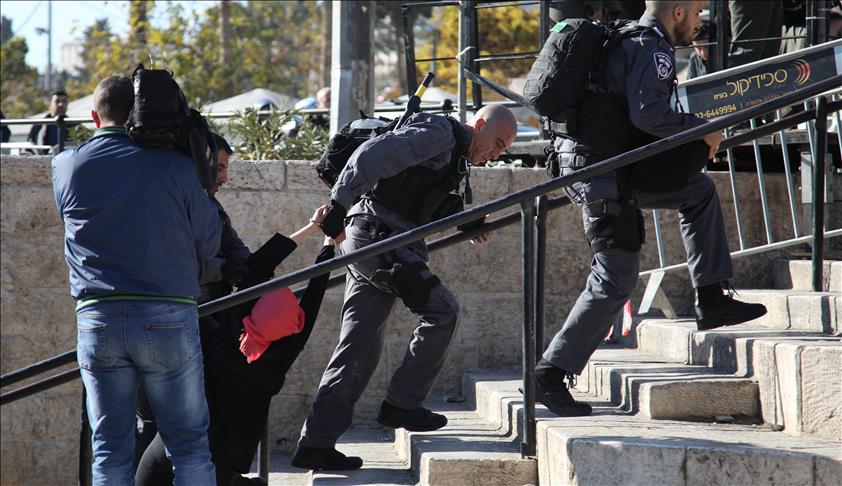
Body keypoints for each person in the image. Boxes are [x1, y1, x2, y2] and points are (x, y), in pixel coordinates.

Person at [533, 0, 768, 418]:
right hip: (602, 172)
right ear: (677, 12)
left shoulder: (627, 38)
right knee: (616, 277)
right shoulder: (652, 48)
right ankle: (549, 374)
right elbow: (649, 114)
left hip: (600, 166)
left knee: (697, 190)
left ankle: (712, 297)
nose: (699, 24)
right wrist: (705, 129)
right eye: (696, 13)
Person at [291, 104, 518, 471]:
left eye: (504, 149)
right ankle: (402, 403)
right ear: (478, 125)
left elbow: (420, 198)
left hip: (378, 238)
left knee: (358, 347)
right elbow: (371, 155)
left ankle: (316, 443)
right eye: (497, 142)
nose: (497, 153)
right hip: (379, 238)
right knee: (442, 311)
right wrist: (337, 203)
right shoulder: (440, 134)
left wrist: (469, 221)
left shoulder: (454, 153)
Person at [52, 76, 220, 484]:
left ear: (94, 117)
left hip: (97, 318)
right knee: (189, 445)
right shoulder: (177, 167)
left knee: (109, 449)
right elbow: (209, 237)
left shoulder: (65, 165)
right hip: (169, 314)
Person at [136, 212, 338, 486]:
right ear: (293, 326)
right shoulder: (282, 353)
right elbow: (313, 298)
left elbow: (261, 263)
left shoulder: (231, 329)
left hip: (172, 445)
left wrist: (313, 228)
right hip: (223, 460)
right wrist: (329, 246)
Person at [27, 89, 70, 154]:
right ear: (50, 104)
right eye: (57, 101)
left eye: (64, 101)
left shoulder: (74, 124)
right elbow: (30, 145)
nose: (61, 104)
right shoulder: (39, 125)